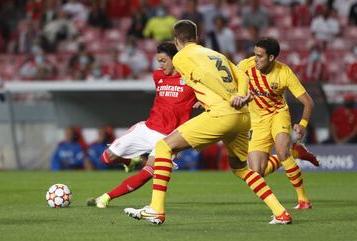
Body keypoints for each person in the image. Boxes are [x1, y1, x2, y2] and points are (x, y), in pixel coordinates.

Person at [124, 20, 292, 225]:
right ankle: (280, 213)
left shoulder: (181, 57)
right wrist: (238, 96)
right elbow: (241, 74)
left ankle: (156, 210)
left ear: (177, 40)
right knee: (241, 168)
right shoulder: (215, 54)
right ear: (197, 38)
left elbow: (203, 76)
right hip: (243, 115)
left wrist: (227, 97)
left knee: (162, 146)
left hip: (222, 113)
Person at [86, 42, 197, 208]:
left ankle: (105, 197)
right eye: (158, 61)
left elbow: (210, 93)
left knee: (148, 172)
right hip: (147, 128)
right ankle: (130, 162)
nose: (160, 65)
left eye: (164, 60)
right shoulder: (158, 76)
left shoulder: (191, 80)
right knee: (106, 158)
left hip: (170, 138)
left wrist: (203, 102)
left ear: (176, 59)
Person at [237, 37, 317, 210]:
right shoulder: (245, 66)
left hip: (278, 115)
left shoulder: (284, 72)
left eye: (260, 56)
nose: (255, 59)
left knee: (282, 152)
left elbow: (308, 102)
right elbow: (227, 84)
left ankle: (303, 200)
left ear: (271, 57)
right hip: (257, 121)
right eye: (255, 54)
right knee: (256, 173)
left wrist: (302, 124)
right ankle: (295, 153)